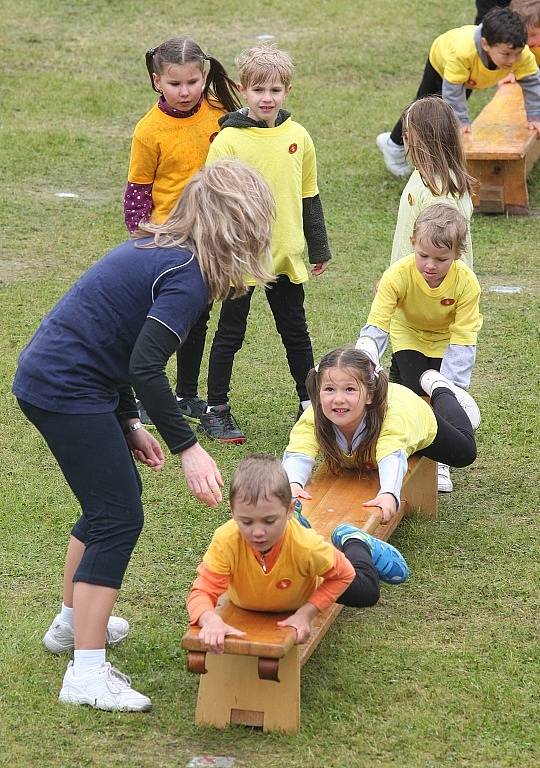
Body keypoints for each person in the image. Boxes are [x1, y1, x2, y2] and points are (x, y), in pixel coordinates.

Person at [12, 160, 275, 712]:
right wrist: (189, 447)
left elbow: (119, 342)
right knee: (118, 515)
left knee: (106, 503)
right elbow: (147, 365)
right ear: (241, 224)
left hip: (59, 378)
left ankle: (69, 624)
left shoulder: (162, 253)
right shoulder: (189, 276)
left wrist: (129, 422)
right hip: (66, 386)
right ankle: (85, 672)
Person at [197, 44, 332, 444]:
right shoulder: (228, 141)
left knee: (295, 332)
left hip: (286, 255)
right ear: (243, 89)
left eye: (274, 89)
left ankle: (310, 406)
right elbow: (213, 201)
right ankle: (216, 409)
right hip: (241, 258)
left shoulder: (298, 136)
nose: (267, 98)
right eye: (258, 90)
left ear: (287, 90)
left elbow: (309, 194)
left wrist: (318, 248)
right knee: (229, 334)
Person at [125, 38, 242, 424]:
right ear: (157, 81)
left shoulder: (222, 113)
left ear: (204, 75)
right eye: (175, 84)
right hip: (167, 238)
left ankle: (187, 394)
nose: (185, 91)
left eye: (192, 82)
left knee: (198, 316)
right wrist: (141, 240)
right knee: (161, 319)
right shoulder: (149, 130)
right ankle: (144, 395)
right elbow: (139, 190)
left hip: (210, 233)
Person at [186, 454, 409, 653]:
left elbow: (343, 574)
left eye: (269, 520)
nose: (258, 532)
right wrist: (209, 619)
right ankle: (294, 522)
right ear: (233, 513)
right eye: (246, 521)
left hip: (306, 579)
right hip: (265, 591)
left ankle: (354, 539)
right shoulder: (226, 539)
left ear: (289, 510)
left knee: (367, 592)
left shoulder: (305, 545)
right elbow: (201, 591)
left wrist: (307, 612)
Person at [356, 204, 482, 493]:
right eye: (423, 255)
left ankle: (442, 461)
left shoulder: (467, 284)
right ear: (412, 242)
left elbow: (464, 337)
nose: (430, 265)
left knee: (439, 397)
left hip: (445, 340)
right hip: (408, 334)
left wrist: (453, 391)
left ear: (457, 254)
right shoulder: (396, 275)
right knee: (412, 392)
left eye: (441, 259)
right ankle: (399, 451)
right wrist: (363, 364)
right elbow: (377, 323)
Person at [283, 348, 479, 522]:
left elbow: (391, 456)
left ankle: (442, 389)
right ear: (318, 393)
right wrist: (292, 483)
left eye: (349, 389)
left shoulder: (391, 419)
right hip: (388, 426)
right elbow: (298, 451)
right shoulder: (316, 415)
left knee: (464, 452)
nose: (338, 399)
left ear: (370, 395)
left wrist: (388, 494)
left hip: (412, 413)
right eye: (329, 389)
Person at [377, 7, 540, 176]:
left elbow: (532, 82)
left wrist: (535, 114)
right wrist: (460, 120)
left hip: (470, 76)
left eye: (517, 54)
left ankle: (435, 154)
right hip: (441, 63)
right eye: (506, 54)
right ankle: (394, 146)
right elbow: (453, 91)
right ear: (485, 44)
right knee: (425, 108)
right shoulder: (462, 52)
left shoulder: (521, 54)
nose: (513, 60)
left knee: (451, 113)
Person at [389, 97, 475, 269]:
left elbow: (439, 250)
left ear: (407, 139)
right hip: (413, 283)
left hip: (430, 288)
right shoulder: (427, 176)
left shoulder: (436, 190)